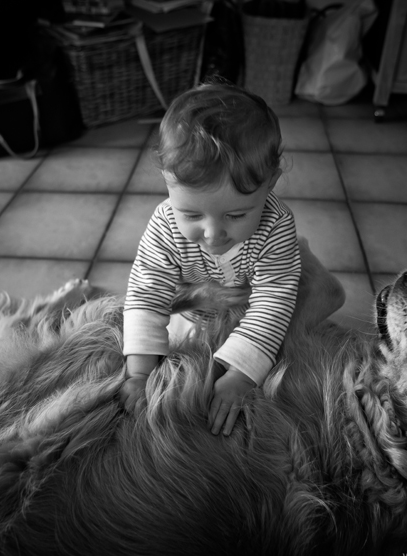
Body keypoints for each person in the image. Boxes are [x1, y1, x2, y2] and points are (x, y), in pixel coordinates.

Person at [120, 81, 301, 436]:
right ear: (166, 180)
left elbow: (274, 300)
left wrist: (241, 373)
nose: (212, 234)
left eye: (236, 216)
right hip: (192, 311)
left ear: (271, 182)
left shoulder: (277, 224)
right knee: (178, 361)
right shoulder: (164, 223)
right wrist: (138, 372)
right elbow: (146, 293)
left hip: (255, 314)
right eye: (191, 215)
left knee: (286, 357)